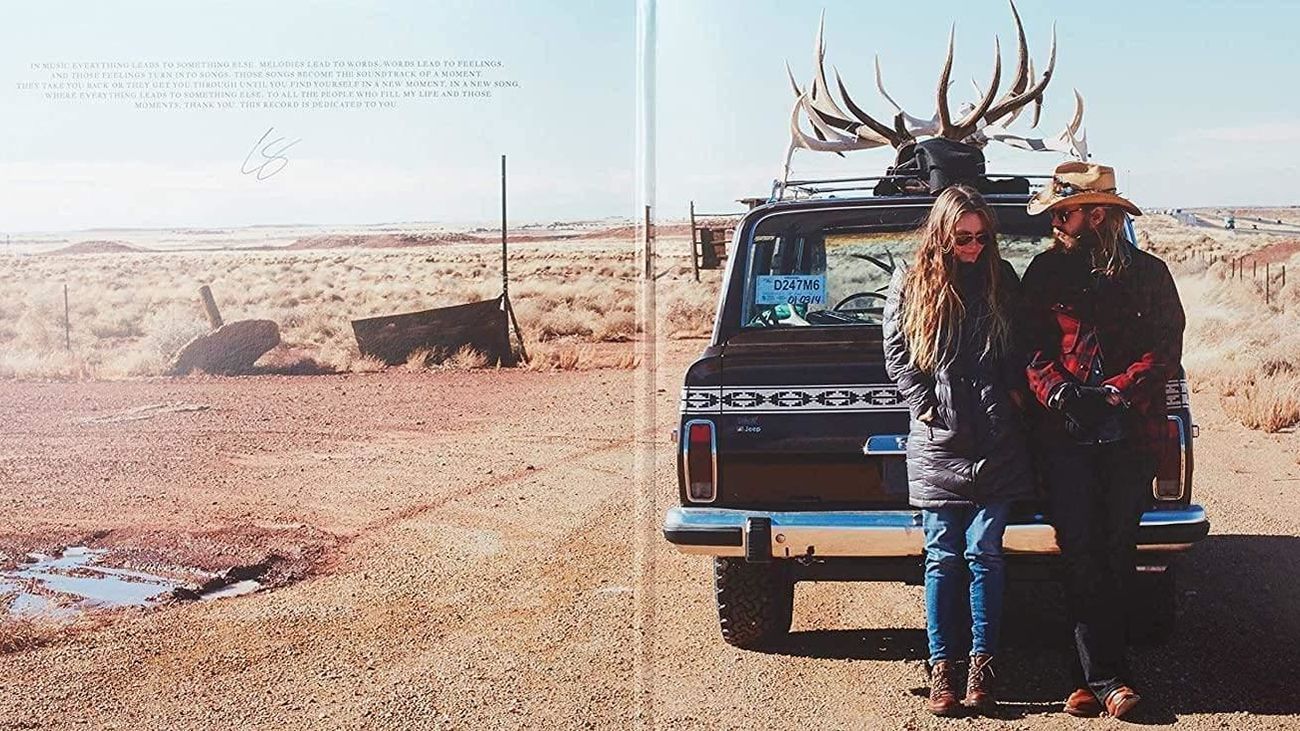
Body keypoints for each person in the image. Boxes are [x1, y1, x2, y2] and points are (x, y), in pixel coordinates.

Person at [1021, 162, 1186, 719]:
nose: (1056, 223)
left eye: (1063, 214)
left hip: (1128, 432)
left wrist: (1117, 390)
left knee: (1116, 551)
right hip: (1063, 432)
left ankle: (1096, 678)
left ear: (1096, 215)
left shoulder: (1150, 275)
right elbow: (1028, 346)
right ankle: (1102, 678)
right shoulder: (1044, 272)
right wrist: (1058, 392)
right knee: (1079, 551)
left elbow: (1165, 348)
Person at [883, 184, 1033, 716]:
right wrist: (925, 404)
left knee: (985, 552)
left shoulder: (1000, 277)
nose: (973, 247)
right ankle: (942, 670)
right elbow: (896, 351)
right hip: (939, 438)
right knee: (943, 555)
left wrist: (1015, 394)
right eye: (963, 237)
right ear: (941, 234)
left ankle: (982, 670)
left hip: (997, 438)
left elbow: (1022, 342)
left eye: (981, 237)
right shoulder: (912, 280)